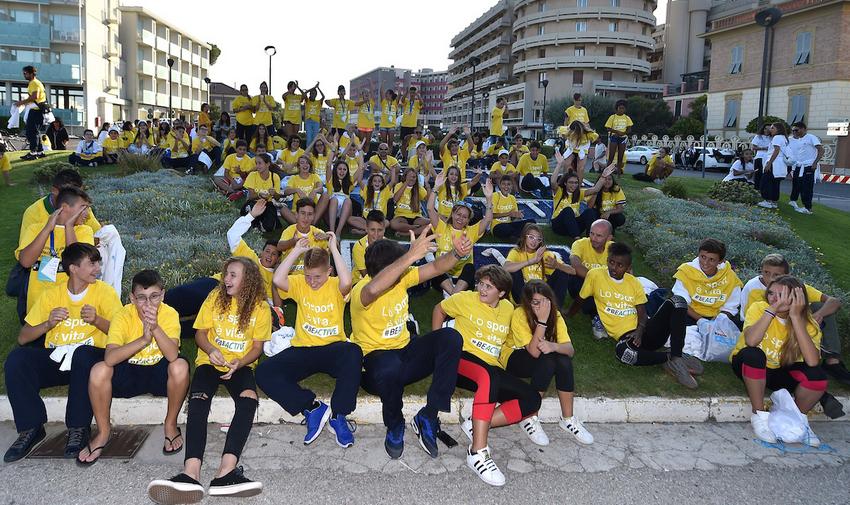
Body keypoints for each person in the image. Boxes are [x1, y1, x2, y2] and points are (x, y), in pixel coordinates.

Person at [147, 258, 270, 503]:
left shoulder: (260, 307)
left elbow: (257, 347)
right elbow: (199, 333)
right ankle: (190, 473)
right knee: (198, 400)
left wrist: (240, 363)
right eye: (227, 274)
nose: (227, 279)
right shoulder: (215, 297)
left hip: (240, 365)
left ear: (249, 280)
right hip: (209, 362)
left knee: (248, 400)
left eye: (233, 275)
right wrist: (212, 349)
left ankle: (225, 472)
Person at [351, 227, 470, 459]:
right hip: (377, 370)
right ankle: (395, 424)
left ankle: (429, 414)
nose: (406, 268)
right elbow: (374, 288)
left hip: (405, 355)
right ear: (390, 269)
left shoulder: (401, 280)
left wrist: (456, 254)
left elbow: (437, 267)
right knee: (389, 366)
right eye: (400, 264)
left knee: (450, 338)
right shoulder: (361, 291)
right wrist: (409, 256)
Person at [4, 243, 122, 463]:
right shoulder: (52, 295)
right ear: (73, 269)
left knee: (83, 354)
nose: (98, 268)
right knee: (17, 358)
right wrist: (47, 324)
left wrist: (97, 320)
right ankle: (31, 428)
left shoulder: (105, 292)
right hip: (58, 358)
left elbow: (122, 334)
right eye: (92, 264)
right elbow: (23, 337)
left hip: (89, 361)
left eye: (98, 263)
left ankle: (79, 427)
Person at [434, 265, 540, 487]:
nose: (482, 289)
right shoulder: (465, 298)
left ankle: (477, 424)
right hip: (461, 360)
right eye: (481, 283)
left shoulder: (509, 309)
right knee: (489, 378)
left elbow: (513, 336)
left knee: (532, 399)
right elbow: (439, 310)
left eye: (489, 286)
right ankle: (477, 453)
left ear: (501, 293)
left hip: (491, 366)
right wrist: (438, 345)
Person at [257, 233, 362, 448]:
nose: (312, 282)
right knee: (263, 372)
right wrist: (297, 250)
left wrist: (334, 248)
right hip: (304, 349)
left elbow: (347, 280)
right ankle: (313, 408)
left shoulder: (335, 285)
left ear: (329, 273)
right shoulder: (300, 284)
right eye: (308, 276)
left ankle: (338, 416)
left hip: (333, 348)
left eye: (317, 276)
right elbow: (277, 280)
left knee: (354, 352)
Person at [79, 270, 189, 466]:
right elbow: (110, 358)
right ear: (132, 298)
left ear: (162, 295)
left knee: (180, 365)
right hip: (129, 373)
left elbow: (172, 355)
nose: (148, 304)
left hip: (158, 373)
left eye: (154, 297)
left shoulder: (169, 313)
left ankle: (171, 425)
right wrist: (143, 340)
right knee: (99, 369)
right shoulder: (122, 315)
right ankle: (103, 433)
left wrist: (155, 328)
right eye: (141, 298)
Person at [567, 242, 700, 388]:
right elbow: (581, 297)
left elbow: (642, 312)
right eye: (611, 262)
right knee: (623, 353)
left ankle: (676, 355)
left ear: (628, 268)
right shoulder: (595, 275)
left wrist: (640, 330)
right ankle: (671, 358)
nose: (614, 267)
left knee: (678, 301)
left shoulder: (633, 283)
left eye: (620, 265)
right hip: (627, 338)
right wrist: (570, 314)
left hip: (646, 331)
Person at [731, 275, 826, 445]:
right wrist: (772, 310)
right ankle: (759, 415)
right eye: (771, 293)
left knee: (817, 375)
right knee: (753, 354)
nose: (773, 299)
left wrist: (796, 318)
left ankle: (798, 419)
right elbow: (751, 341)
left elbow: (812, 362)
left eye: (781, 295)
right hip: (751, 366)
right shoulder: (760, 308)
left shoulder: (809, 323)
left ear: (797, 299)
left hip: (781, 371)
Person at [503, 280, 594, 446]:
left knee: (562, 359)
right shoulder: (520, 314)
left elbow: (570, 350)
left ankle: (568, 418)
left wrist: (554, 345)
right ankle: (530, 416)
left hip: (541, 356)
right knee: (547, 358)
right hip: (514, 358)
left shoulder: (556, 315)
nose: (541, 307)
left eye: (544, 302)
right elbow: (534, 351)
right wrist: (542, 321)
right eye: (535, 302)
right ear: (527, 302)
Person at [740, 254, 848, 389]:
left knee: (820, 307)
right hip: (760, 327)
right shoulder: (755, 291)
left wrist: (814, 316)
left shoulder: (796, 288)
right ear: (761, 270)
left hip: (789, 330)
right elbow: (753, 331)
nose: (771, 278)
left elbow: (835, 301)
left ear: (786, 276)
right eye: (767, 273)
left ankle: (832, 360)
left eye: (776, 275)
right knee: (754, 354)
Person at [16, 186, 95, 313]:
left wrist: (68, 226)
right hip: (39, 303)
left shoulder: (83, 231)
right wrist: (47, 229)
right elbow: (25, 262)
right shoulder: (35, 229)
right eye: (83, 208)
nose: (87, 213)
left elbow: (79, 263)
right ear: (65, 207)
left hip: (70, 304)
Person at [428, 175, 493, 295]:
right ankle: (454, 294)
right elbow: (430, 209)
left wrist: (489, 197)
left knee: (470, 267)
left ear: (468, 220)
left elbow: (488, 219)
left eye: (465, 217)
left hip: (463, 280)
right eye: (458, 214)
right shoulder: (441, 227)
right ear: (452, 214)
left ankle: (452, 293)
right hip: (443, 279)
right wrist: (436, 187)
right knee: (436, 265)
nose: (460, 219)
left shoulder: (472, 231)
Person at [672, 238, 742, 325]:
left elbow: (730, 306)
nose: (706, 262)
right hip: (690, 315)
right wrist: (701, 320)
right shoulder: (686, 271)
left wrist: (714, 322)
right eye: (703, 257)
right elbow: (681, 301)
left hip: (718, 318)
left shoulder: (730, 277)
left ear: (720, 261)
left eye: (711, 259)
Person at [504, 222, 574, 307]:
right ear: (524, 236)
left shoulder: (543, 254)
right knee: (514, 270)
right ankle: (526, 305)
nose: (534, 241)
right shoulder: (516, 252)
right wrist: (532, 260)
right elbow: (506, 267)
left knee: (563, 272)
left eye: (538, 239)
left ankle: (556, 310)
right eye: (531, 237)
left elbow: (572, 271)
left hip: (541, 291)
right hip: (523, 294)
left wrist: (557, 265)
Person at [551, 153, 613, 239]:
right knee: (568, 210)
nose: (574, 185)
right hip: (559, 226)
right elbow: (553, 182)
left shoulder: (579, 193)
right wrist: (559, 164)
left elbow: (595, 189)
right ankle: (577, 239)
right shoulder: (559, 191)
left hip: (574, 225)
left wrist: (603, 176)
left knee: (589, 212)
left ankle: (591, 237)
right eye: (571, 182)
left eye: (576, 183)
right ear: (565, 183)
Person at [569, 219, 614, 334]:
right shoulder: (580, 244)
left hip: (605, 289)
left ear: (609, 238)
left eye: (599, 236)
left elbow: (626, 271)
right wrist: (599, 283)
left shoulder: (614, 249)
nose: (593, 238)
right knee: (577, 277)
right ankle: (596, 315)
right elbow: (576, 264)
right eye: (591, 233)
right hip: (582, 285)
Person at [277, 198, 330, 274]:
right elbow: (279, 247)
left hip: (311, 279)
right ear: (296, 214)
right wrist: (293, 241)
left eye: (309, 214)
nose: (306, 218)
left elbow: (336, 249)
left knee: (329, 269)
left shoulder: (318, 233)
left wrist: (328, 238)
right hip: (290, 278)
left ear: (313, 216)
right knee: (277, 269)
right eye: (303, 213)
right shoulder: (290, 231)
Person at [788, 122, 823, 215]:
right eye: (793, 130)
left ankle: (808, 207)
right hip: (799, 165)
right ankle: (794, 200)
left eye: (796, 130)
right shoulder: (799, 140)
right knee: (797, 184)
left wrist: (814, 163)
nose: (795, 132)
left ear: (803, 129)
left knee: (806, 187)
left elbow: (821, 149)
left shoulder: (811, 137)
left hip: (808, 166)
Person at [325, 154, 364, 237]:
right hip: (331, 213)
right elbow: (328, 166)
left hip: (345, 215)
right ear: (335, 170)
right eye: (339, 169)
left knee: (348, 200)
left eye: (344, 169)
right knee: (334, 200)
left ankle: (338, 232)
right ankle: (332, 231)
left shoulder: (349, 182)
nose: (342, 171)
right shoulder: (330, 180)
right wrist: (333, 150)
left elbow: (361, 167)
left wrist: (360, 151)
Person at [281, 157, 327, 226]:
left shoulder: (314, 176)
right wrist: (297, 190)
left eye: (307, 163)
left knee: (325, 196)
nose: (305, 165)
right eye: (302, 163)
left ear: (310, 165)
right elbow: (286, 191)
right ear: (299, 166)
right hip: (299, 213)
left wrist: (314, 191)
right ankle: (304, 226)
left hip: (313, 212)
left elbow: (321, 188)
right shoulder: (294, 178)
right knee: (283, 210)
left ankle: (310, 224)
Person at [15, 65, 47, 160]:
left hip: (35, 111)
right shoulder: (37, 82)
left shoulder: (33, 83)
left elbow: (34, 96)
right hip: (38, 110)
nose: (24, 75)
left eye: (25, 73)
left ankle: (33, 153)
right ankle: (40, 152)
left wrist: (22, 102)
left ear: (31, 74)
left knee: (31, 132)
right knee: (36, 132)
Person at [758, 122, 791, 209]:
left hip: (774, 163)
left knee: (766, 181)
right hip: (781, 164)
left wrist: (769, 163)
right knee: (775, 183)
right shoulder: (784, 138)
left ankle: (767, 200)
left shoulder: (776, 138)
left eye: (772, 128)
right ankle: (774, 201)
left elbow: (776, 151)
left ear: (778, 129)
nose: (770, 130)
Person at [390, 167, 430, 236]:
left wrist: (427, 184)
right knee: (393, 224)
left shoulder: (419, 187)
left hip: (416, 217)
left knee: (432, 224)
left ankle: (406, 233)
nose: (411, 179)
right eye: (409, 177)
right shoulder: (399, 185)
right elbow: (396, 199)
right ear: (405, 177)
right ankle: (417, 229)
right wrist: (406, 184)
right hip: (401, 216)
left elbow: (429, 199)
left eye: (414, 177)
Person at [350, 210, 387, 283]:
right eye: (372, 230)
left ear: (384, 228)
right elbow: (366, 275)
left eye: (380, 230)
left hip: (382, 281)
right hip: (361, 282)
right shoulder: (359, 247)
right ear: (366, 228)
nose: (376, 234)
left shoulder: (388, 245)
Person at [605, 100, 633, 176]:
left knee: (620, 156)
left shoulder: (627, 118)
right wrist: (616, 132)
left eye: (623, 108)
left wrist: (622, 133)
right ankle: (607, 173)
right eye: (619, 108)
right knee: (611, 155)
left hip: (623, 138)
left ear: (625, 109)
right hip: (614, 137)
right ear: (617, 108)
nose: (621, 110)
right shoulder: (612, 117)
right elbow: (608, 128)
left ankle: (619, 175)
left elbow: (629, 130)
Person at [399, 87, 424, 159]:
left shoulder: (416, 103)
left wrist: (417, 95)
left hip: (412, 125)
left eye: (413, 93)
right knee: (404, 142)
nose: (412, 94)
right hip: (404, 124)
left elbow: (421, 102)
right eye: (411, 93)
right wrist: (406, 92)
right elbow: (402, 100)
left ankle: (413, 156)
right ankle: (404, 157)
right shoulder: (407, 101)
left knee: (413, 142)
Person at [751, 123, 772, 191]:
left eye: (769, 129)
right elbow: (754, 147)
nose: (767, 131)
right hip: (760, 156)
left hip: (768, 157)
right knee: (758, 174)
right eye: (765, 129)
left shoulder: (772, 138)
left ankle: (764, 189)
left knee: (766, 175)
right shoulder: (758, 136)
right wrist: (763, 148)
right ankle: (757, 189)